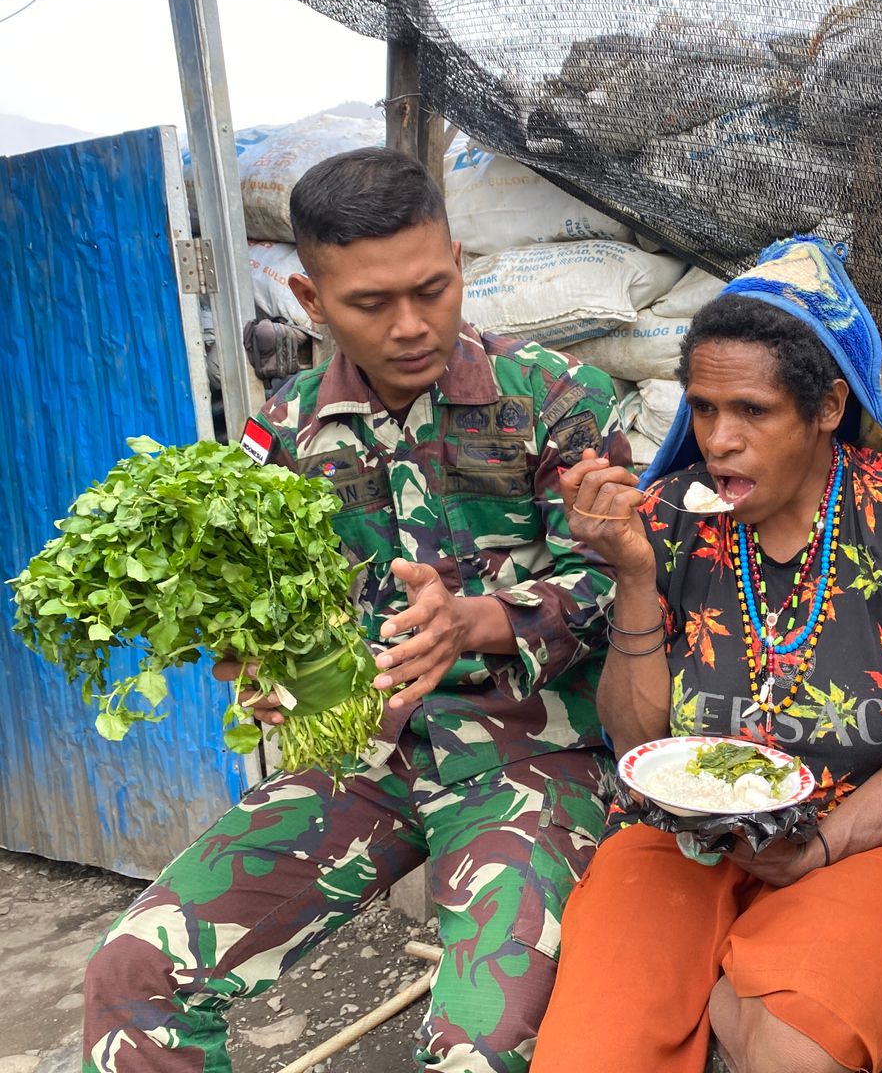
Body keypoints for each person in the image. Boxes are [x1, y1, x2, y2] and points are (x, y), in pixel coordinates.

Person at [81, 148, 628, 1073]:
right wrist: (256, 667)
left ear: (458, 260)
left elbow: (619, 584)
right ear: (309, 297)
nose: (412, 325)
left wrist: (474, 622)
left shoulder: (554, 398)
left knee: (480, 1046)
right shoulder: (280, 434)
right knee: (132, 979)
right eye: (372, 303)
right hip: (359, 761)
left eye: (432, 288)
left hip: (529, 762)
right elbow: (263, 612)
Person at [526, 236, 882, 1073]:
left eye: (752, 411)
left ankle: (746, 991)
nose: (718, 440)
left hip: (878, 833)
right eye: (702, 408)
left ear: (828, 406)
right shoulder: (672, 523)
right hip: (683, 836)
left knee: (798, 1053)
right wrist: (637, 578)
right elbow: (635, 739)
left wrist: (822, 847)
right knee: (591, 1058)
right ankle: (724, 980)